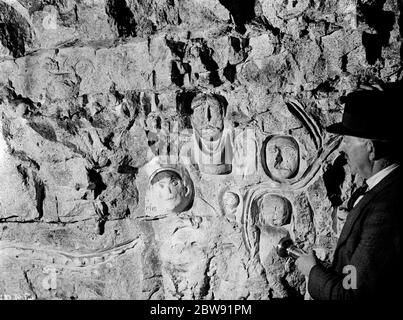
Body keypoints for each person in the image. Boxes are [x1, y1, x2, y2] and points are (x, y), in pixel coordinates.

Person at [295, 85, 402, 300]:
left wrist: (312, 272)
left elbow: (351, 293)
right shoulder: (383, 186)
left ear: (370, 149)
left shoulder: (385, 209)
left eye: (347, 141)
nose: (342, 148)